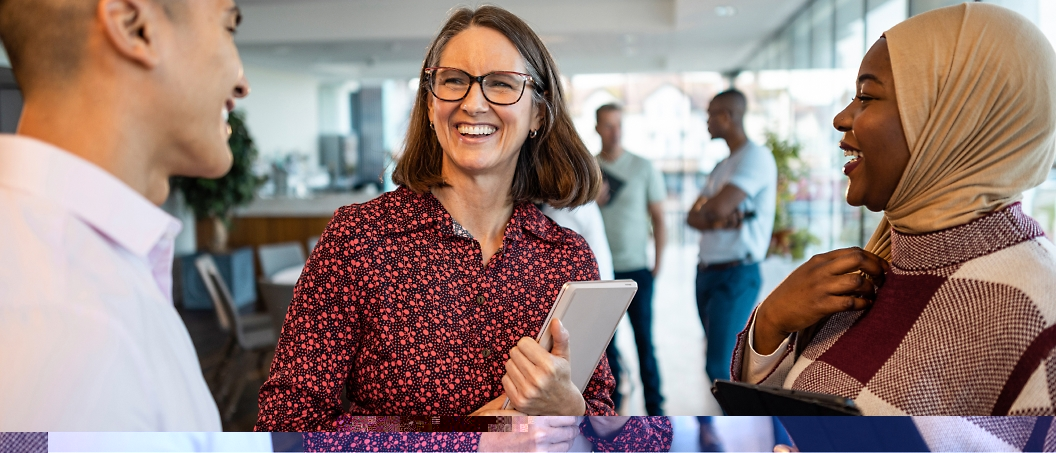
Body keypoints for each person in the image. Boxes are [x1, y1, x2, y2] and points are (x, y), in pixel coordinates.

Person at [255, 6, 672, 452]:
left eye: (501, 84)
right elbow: (286, 427)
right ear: (431, 102)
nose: (473, 102)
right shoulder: (359, 239)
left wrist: (573, 411)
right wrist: (468, 441)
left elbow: (605, 431)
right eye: (454, 80)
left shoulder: (566, 256)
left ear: (537, 114)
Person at [734, 2, 1056, 416]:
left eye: (867, 97)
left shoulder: (1032, 312)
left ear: (952, 119)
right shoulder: (884, 264)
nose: (841, 118)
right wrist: (771, 323)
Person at [0, 0, 249, 430]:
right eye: (230, 27)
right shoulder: (71, 325)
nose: (242, 83)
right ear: (135, 27)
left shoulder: (72, 278)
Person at [687, 89, 776, 384]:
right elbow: (693, 216)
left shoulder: (755, 157)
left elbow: (716, 207)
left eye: (711, 114)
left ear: (727, 117)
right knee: (717, 363)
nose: (707, 121)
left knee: (720, 368)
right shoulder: (722, 166)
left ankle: (736, 428)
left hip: (735, 275)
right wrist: (716, 219)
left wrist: (713, 213)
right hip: (707, 273)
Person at [595, 103, 667, 416]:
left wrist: (658, 263)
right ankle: (613, 405)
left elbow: (659, 218)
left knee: (644, 342)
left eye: (619, 125)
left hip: (637, 269)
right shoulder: (588, 168)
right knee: (605, 348)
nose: (615, 132)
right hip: (600, 272)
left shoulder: (643, 167)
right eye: (608, 125)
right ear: (597, 128)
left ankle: (656, 407)